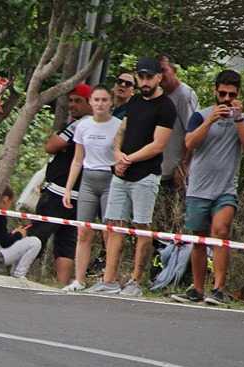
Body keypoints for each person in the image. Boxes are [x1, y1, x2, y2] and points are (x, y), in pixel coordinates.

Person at [87, 57, 176, 296]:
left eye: (149, 77)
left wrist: (129, 159)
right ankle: (109, 279)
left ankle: (135, 281)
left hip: (146, 175)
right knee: (114, 224)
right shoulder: (135, 101)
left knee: (141, 227)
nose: (144, 81)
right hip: (122, 173)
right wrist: (117, 154)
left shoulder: (166, 106)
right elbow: (122, 130)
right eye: (141, 76)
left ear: (159, 78)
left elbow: (158, 144)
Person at [170, 69, 244, 306]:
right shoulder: (200, 116)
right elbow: (190, 142)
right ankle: (197, 288)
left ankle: (218, 288)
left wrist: (238, 121)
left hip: (225, 189)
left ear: (238, 94)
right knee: (198, 239)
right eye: (222, 93)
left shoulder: (243, 118)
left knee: (220, 231)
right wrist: (210, 120)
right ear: (215, 91)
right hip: (199, 188)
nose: (227, 99)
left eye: (232, 94)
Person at [26, 83, 94, 285]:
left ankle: (22, 275)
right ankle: (62, 285)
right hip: (80, 195)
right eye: (70, 101)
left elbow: (51, 145)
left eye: (78, 101)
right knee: (67, 240)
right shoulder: (101, 125)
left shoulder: (80, 124)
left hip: (58, 192)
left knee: (38, 234)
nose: (72, 105)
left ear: (90, 103)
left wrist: (59, 141)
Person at [61, 85, 121, 292]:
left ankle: (109, 279)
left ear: (111, 102)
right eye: (96, 100)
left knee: (109, 233)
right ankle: (79, 280)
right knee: (83, 232)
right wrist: (68, 188)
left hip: (110, 179)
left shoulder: (118, 125)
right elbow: (78, 159)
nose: (100, 104)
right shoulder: (83, 125)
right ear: (90, 102)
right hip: (88, 179)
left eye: (104, 100)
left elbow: (121, 155)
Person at [0, 186, 42, 279]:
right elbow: (5, 243)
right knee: (35, 242)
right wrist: (19, 234)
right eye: (10, 203)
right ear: (5, 199)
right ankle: (19, 274)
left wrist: (13, 234)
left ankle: (15, 273)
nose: (9, 206)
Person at [158, 54, 199, 191]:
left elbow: (193, 132)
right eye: (157, 72)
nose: (160, 76)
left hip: (176, 175)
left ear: (174, 70)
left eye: (163, 70)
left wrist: (183, 166)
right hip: (159, 172)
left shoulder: (184, 95)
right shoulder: (160, 95)